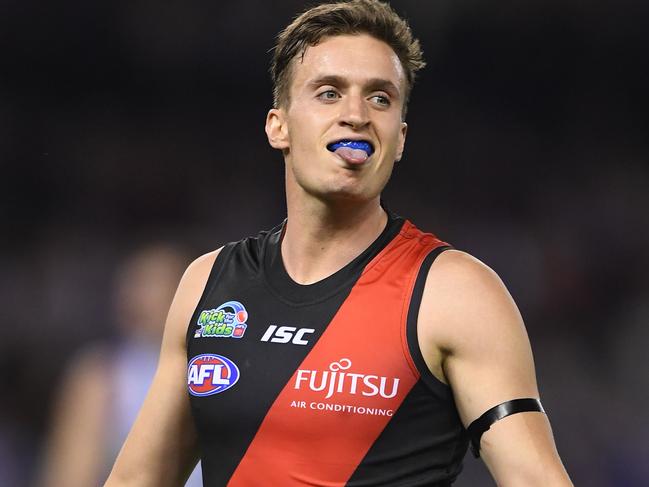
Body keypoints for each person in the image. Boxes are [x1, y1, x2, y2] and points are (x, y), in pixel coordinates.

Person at [106, 1, 573, 485]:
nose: (356, 115)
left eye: (380, 98)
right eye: (329, 93)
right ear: (278, 126)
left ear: (401, 138)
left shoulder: (454, 294)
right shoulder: (209, 284)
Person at [39, 244, 202, 487]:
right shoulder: (101, 374)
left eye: (155, 285)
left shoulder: (219, 365)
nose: (141, 298)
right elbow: (71, 472)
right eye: (136, 285)